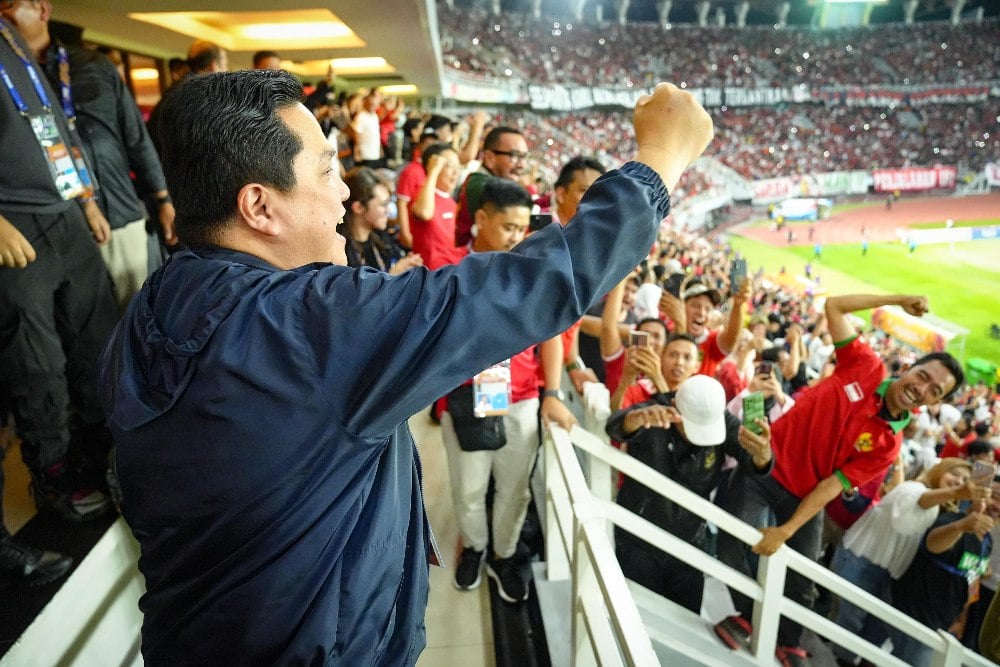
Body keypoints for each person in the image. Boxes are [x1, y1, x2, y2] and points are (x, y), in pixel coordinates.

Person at [96, 71, 714, 665]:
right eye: (327, 171)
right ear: (259, 205)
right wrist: (659, 158)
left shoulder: (148, 309)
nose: (344, 190)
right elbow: (536, 284)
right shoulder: (311, 327)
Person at [718, 293, 964, 667]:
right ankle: (746, 617)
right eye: (923, 375)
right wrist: (896, 300)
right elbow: (833, 306)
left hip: (806, 497)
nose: (923, 387)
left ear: (935, 402)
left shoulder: (888, 445)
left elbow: (832, 485)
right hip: (763, 468)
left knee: (803, 580)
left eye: (935, 391)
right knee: (738, 541)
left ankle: (787, 641)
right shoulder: (866, 366)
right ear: (911, 367)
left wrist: (787, 530)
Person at [0, 15, 117, 523]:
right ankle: (54, 478)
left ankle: (104, 456)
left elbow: (50, 124)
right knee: (37, 366)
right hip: (14, 227)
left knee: (97, 343)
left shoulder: (12, 41)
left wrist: (85, 200)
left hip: (66, 214)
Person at [441, 177, 575, 603]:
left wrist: (552, 394)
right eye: (508, 227)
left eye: (522, 229)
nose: (517, 237)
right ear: (481, 219)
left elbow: (551, 335)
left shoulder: (533, 272)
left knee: (515, 488)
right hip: (465, 400)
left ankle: (503, 554)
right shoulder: (450, 270)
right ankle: (475, 548)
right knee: (469, 487)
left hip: (521, 399)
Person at [6, 2, 176, 307]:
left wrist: (163, 200)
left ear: (43, 10)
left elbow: (135, 137)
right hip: (47, 222)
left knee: (135, 308)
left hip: (117, 211)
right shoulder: (10, 78)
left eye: (7, 5)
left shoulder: (94, 65)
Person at [607, 375, 772, 614]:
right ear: (674, 407)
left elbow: (753, 460)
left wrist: (763, 454)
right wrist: (633, 420)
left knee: (684, 616)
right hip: (638, 538)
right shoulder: (653, 412)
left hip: (690, 541)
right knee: (633, 614)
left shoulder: (723, 421)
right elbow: (615, 427)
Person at [829, 458, 988, 665]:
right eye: (954, 474)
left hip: (892, 575)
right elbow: (909, 511)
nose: (959, 481)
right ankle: (841, 660)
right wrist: (956, 494)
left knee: (873, 628)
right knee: (850, 619)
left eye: (966, 480)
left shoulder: (947, 512)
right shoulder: (913, 488)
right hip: (862, 561)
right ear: (939, 470)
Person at [453, 125, 528, 247]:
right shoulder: (481, 185)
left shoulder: (481, 180)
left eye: (524, 157)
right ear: (489, 157)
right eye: (514, 156)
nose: (522, 165)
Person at [337, 167, 421, 275]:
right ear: (359, 208)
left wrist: (407, 263)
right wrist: (393, 275)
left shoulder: (381, 237)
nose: (389, 210)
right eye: (383, 204)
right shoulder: (341, 251)